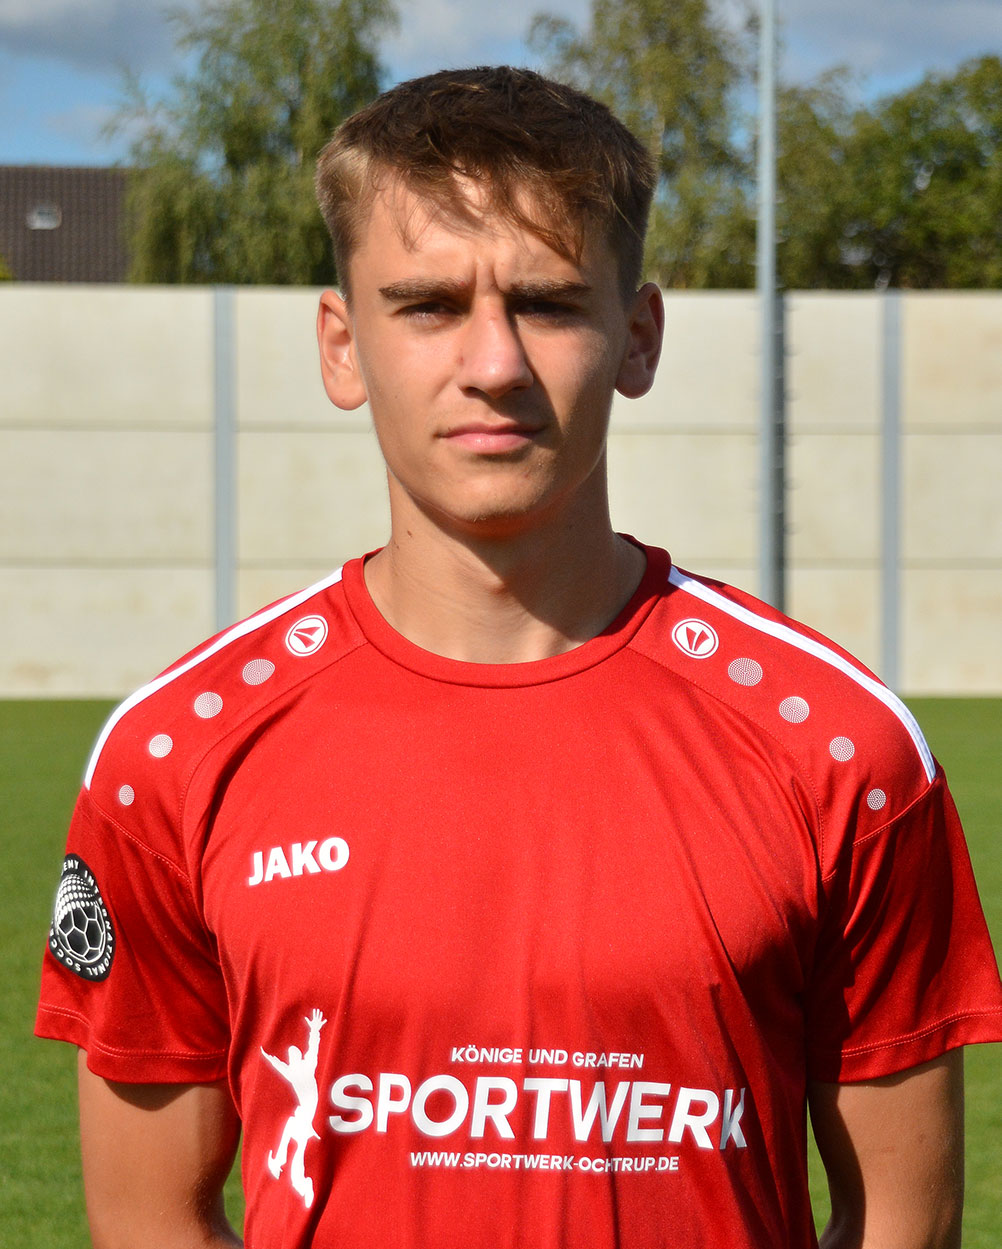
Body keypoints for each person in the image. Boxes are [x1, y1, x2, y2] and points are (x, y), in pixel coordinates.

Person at [37, 66, 1002, 1249]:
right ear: (342, 347)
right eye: (429, 305)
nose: (493, 363)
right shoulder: (172, 757)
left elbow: (901, 1219)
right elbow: (149, 1220)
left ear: (637, 337)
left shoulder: (842, 748)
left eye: (547, 303)